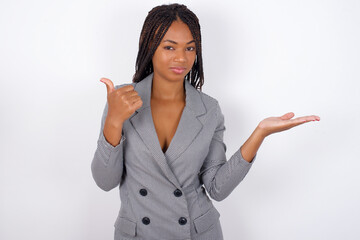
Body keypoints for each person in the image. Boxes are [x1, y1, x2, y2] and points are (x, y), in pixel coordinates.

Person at [91, 3, 320, 240]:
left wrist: (259, 133)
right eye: (170, 47)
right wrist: (114, 121)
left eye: (190, 48)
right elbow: (105, 181)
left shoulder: (209, 109)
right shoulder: (122, 99)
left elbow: (217, 188)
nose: (181, 58)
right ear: (150, 46)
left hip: (195, 233)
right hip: (138, 233)